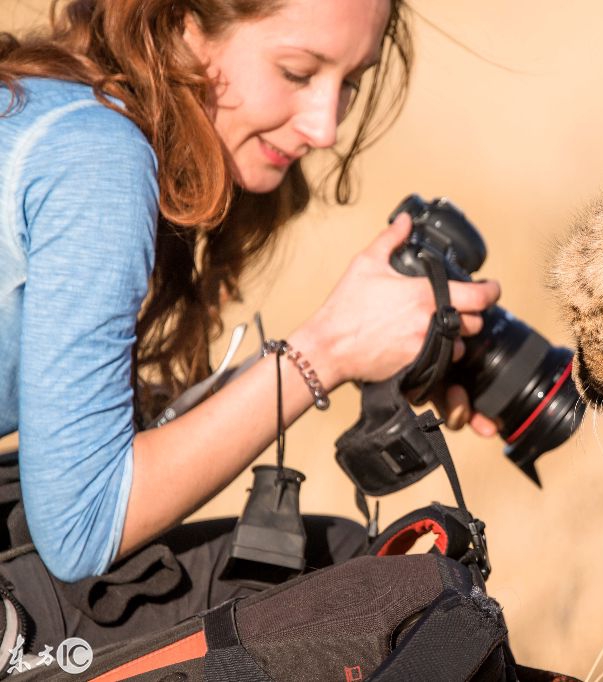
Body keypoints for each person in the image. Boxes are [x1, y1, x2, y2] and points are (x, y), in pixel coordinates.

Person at [0, 0, 501, 658]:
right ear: (181, 26)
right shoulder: (99, 157)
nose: (326, 126)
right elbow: (83, 525)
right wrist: (326, 350)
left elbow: (72, 443)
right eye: (297, 72)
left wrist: (375, 346)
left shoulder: (43, 109)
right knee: (368, 587)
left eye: (350, 81)